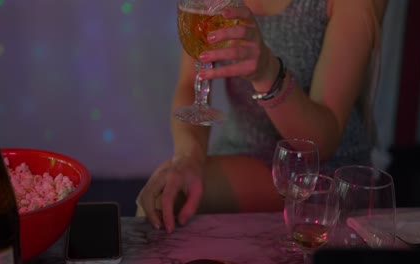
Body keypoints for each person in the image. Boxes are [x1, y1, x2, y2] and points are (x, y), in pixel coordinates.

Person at [136, 0, 388, 233]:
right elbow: (190, 83)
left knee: (169, 199)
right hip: (241, 153)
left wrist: (267, 73)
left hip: (322, 176)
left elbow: (321, 144)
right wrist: (189, 156)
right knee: (164, 195)